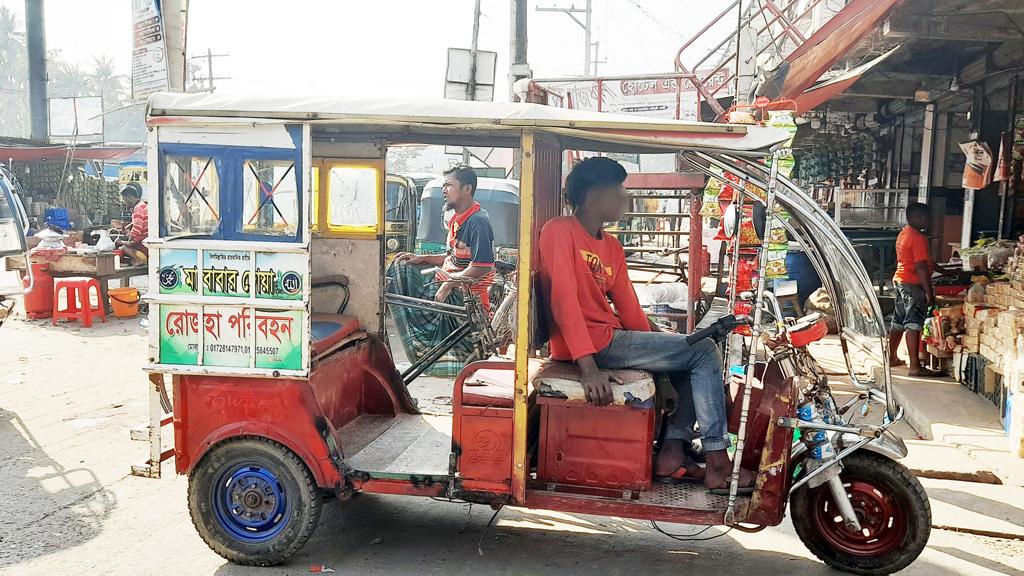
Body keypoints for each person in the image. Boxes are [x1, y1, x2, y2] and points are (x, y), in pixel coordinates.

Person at [537, 157, 753, 493]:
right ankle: (718, 462)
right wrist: (588, 367)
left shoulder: (611, 247)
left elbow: (631, 311)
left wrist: (674, 341)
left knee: (695, 348)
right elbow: (563, 301)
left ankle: (671, 453)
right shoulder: (559, 231)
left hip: (609, 339)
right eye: (618, 191)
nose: (625, 198)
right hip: (589, 346)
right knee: (704, 352)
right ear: (594, 194)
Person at [394, 165, 496, 312]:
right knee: (400, 266)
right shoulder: (456, 220)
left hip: (464, 295)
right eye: (443, 186)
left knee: (398, 275)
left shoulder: (477, 222)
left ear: (467, 189)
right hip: (445, 279)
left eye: (448, 185)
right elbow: (453, 258)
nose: (444, 191)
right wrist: (423, 258)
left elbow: (482, 267)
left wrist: (448, 284)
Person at [888, 202, 955, 377]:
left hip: (901, 280)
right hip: (912, 283)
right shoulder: (917, 238)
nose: (929, 221)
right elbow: (921, 267)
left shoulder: (904, 233)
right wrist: (928, 291)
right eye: (927, 218)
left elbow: (927, 262)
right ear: (919, 218)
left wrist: (945, 271)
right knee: (913, 323)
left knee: (898, 320)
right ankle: (915, 366)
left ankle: (892, 357)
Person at [116, 182, 148, 264]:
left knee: (123, 247)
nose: (124, 202)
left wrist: (128, 239)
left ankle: (138, 259)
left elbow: (137, 229)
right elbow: (135, 222)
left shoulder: (138, 208)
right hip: (144, 237)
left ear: (129, 197)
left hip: (143, 239)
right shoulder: (142, 205)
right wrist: (127, 228)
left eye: (124, 199)